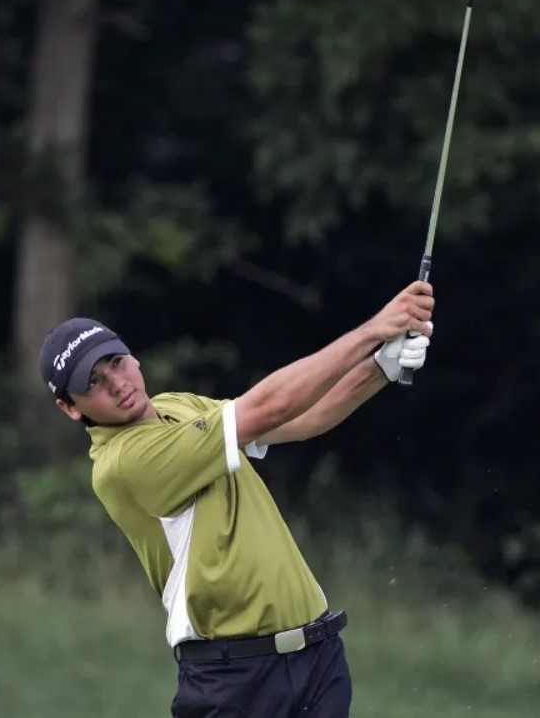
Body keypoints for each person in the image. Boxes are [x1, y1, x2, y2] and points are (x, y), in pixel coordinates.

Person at [36, 281, 435, 718]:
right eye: (94, 382)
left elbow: (302, 419)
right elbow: (268, 408)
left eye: (115, 363)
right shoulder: (122, 463)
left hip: (318, 660)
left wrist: (379, 367)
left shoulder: (177, 407)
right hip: (236, 682)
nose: (116, 384)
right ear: (70, 407)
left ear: (132, 356)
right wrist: (373, 331)